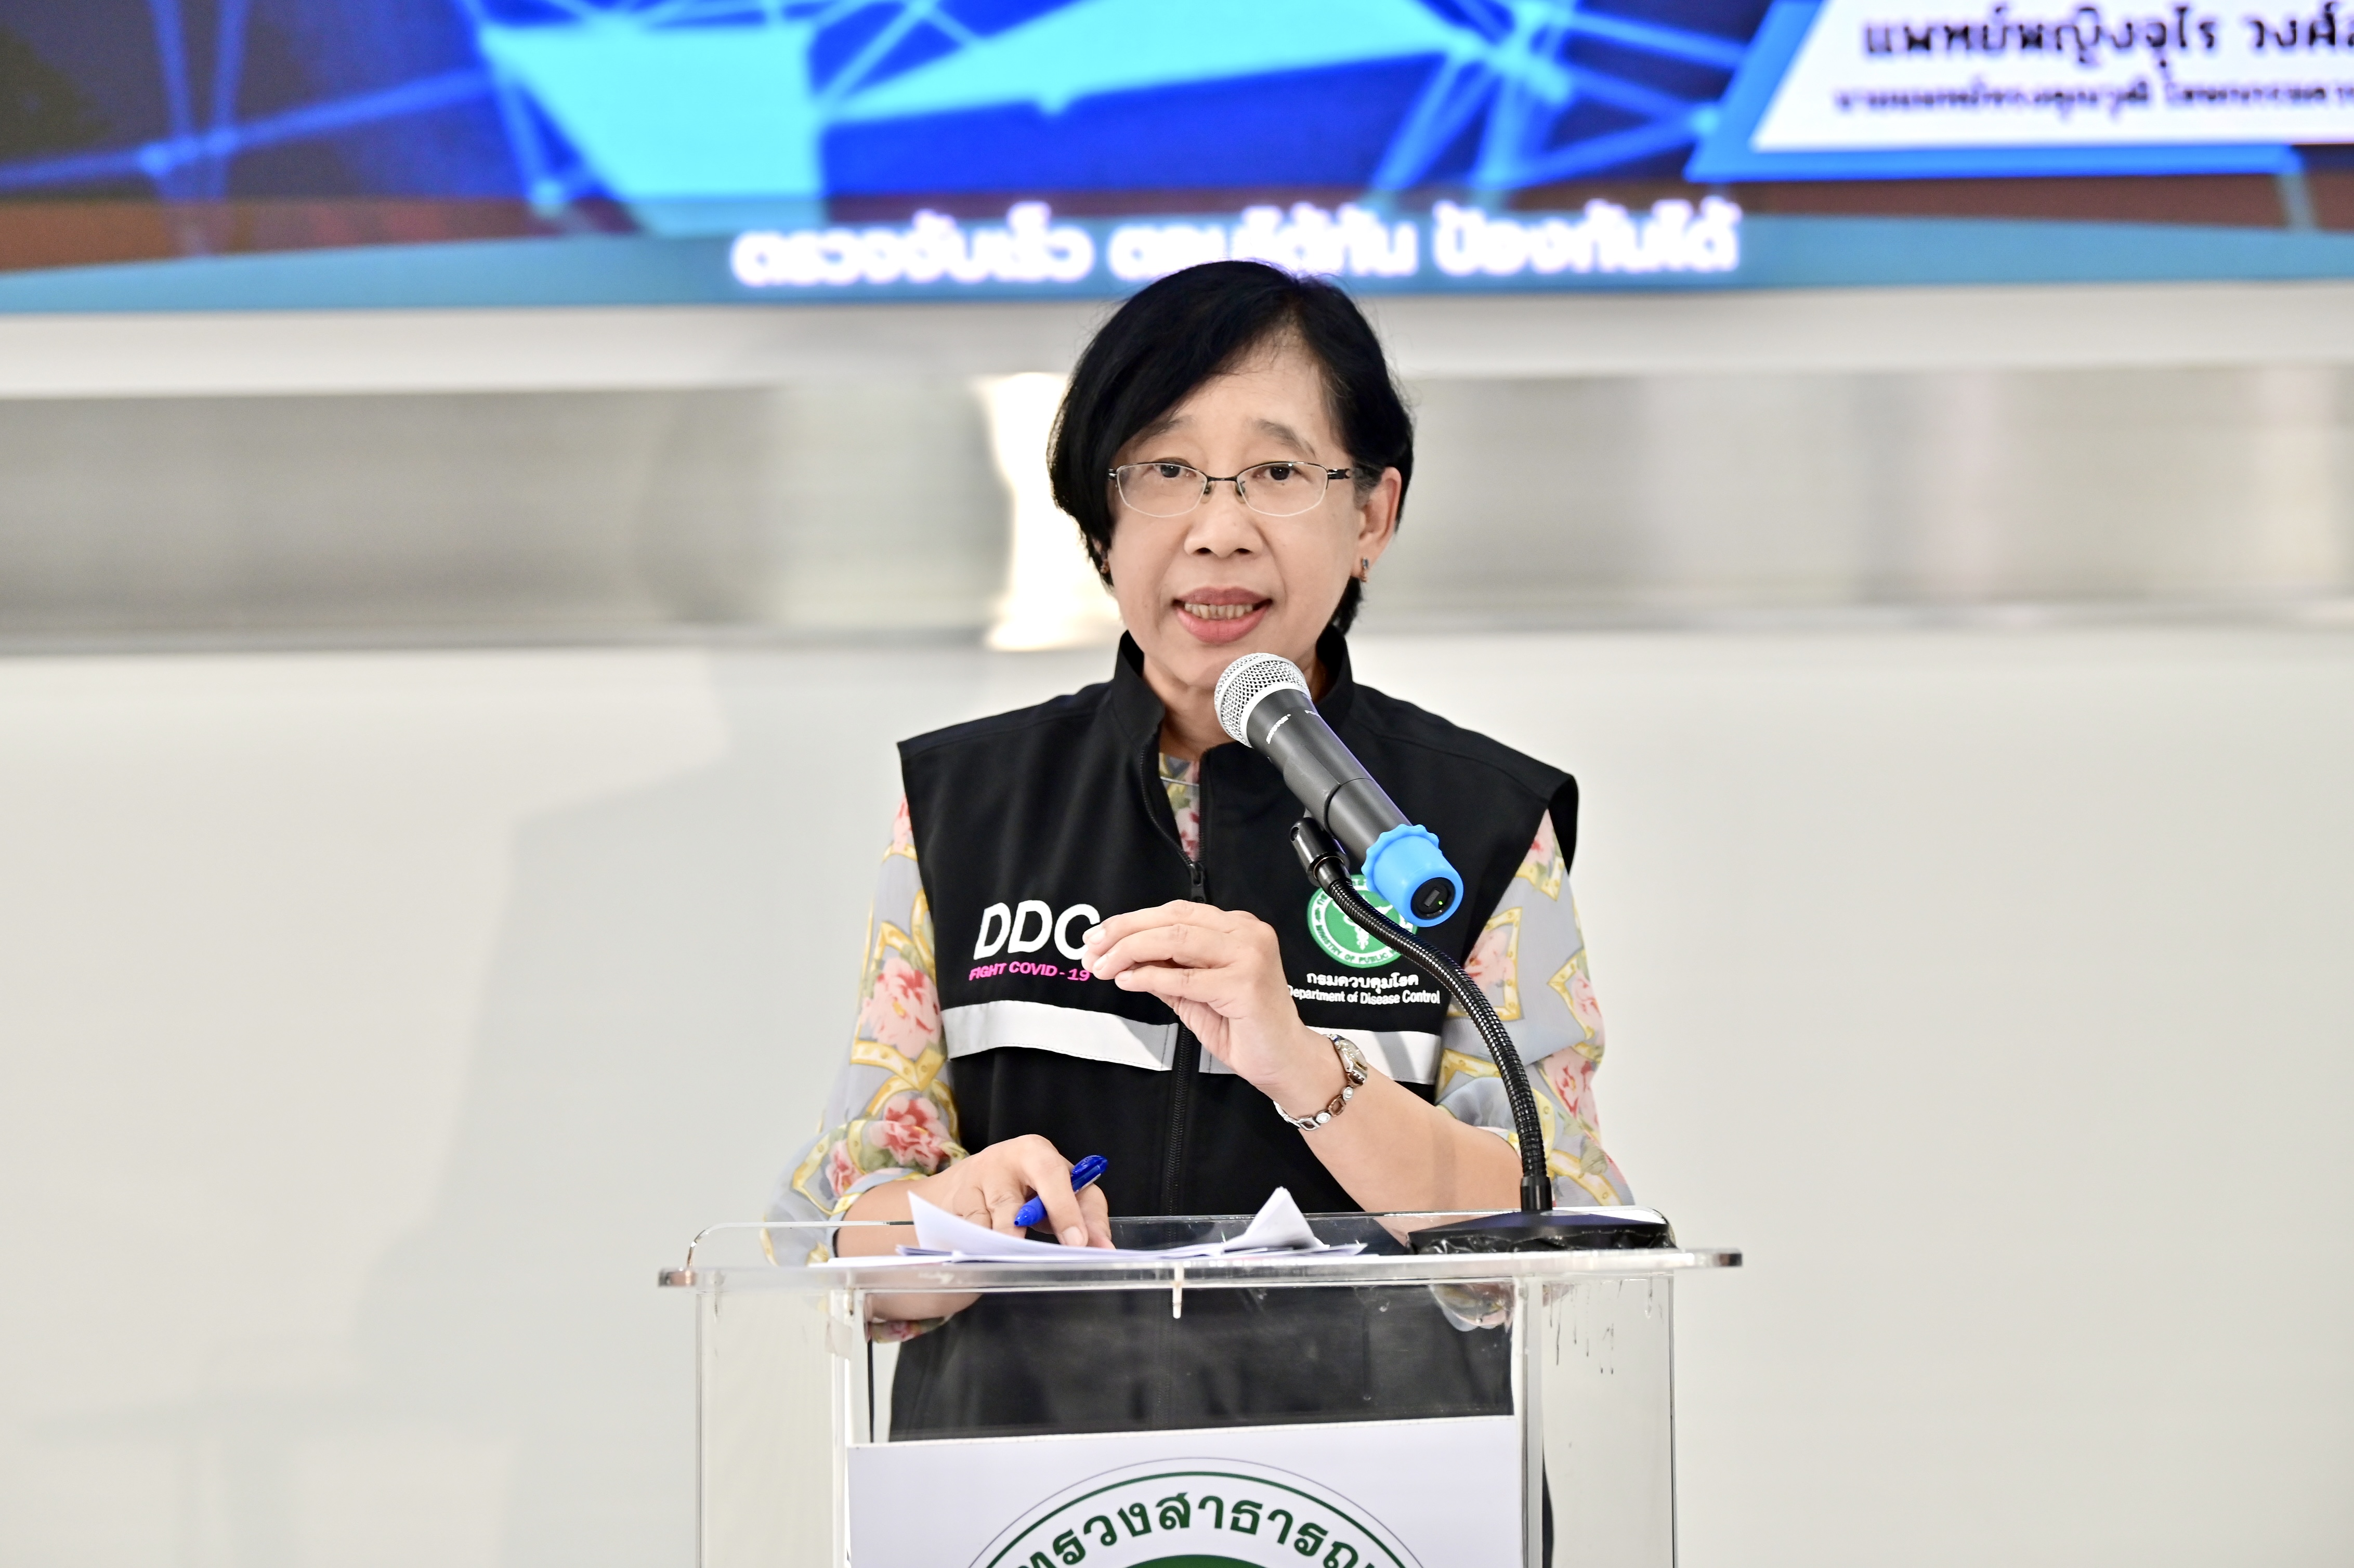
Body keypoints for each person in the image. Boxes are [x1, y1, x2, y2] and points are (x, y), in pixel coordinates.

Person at [766, 259, 1631, 1436]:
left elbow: (1555, 1230)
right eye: (1166, 472)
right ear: (1102, 519)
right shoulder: (965, 801)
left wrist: (1310, 1073)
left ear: (1371, 516)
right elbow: (836, 1233)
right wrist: (951, 1215)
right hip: (1024, 1500)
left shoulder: (1470, 820)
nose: (1219, 531)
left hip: (1368, 1502)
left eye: (1277, 473)